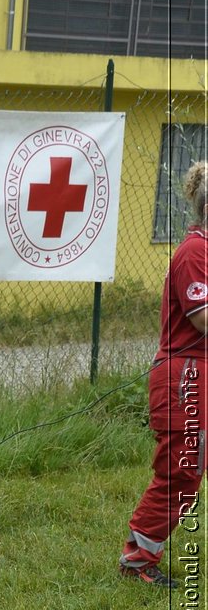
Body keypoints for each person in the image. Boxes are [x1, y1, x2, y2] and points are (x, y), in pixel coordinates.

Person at [119, 161, 208, 588]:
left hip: (198, 374)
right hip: (184, 376)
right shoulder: (195, 251)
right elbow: (203, 317)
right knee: (182, 471)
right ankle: (138, 559)